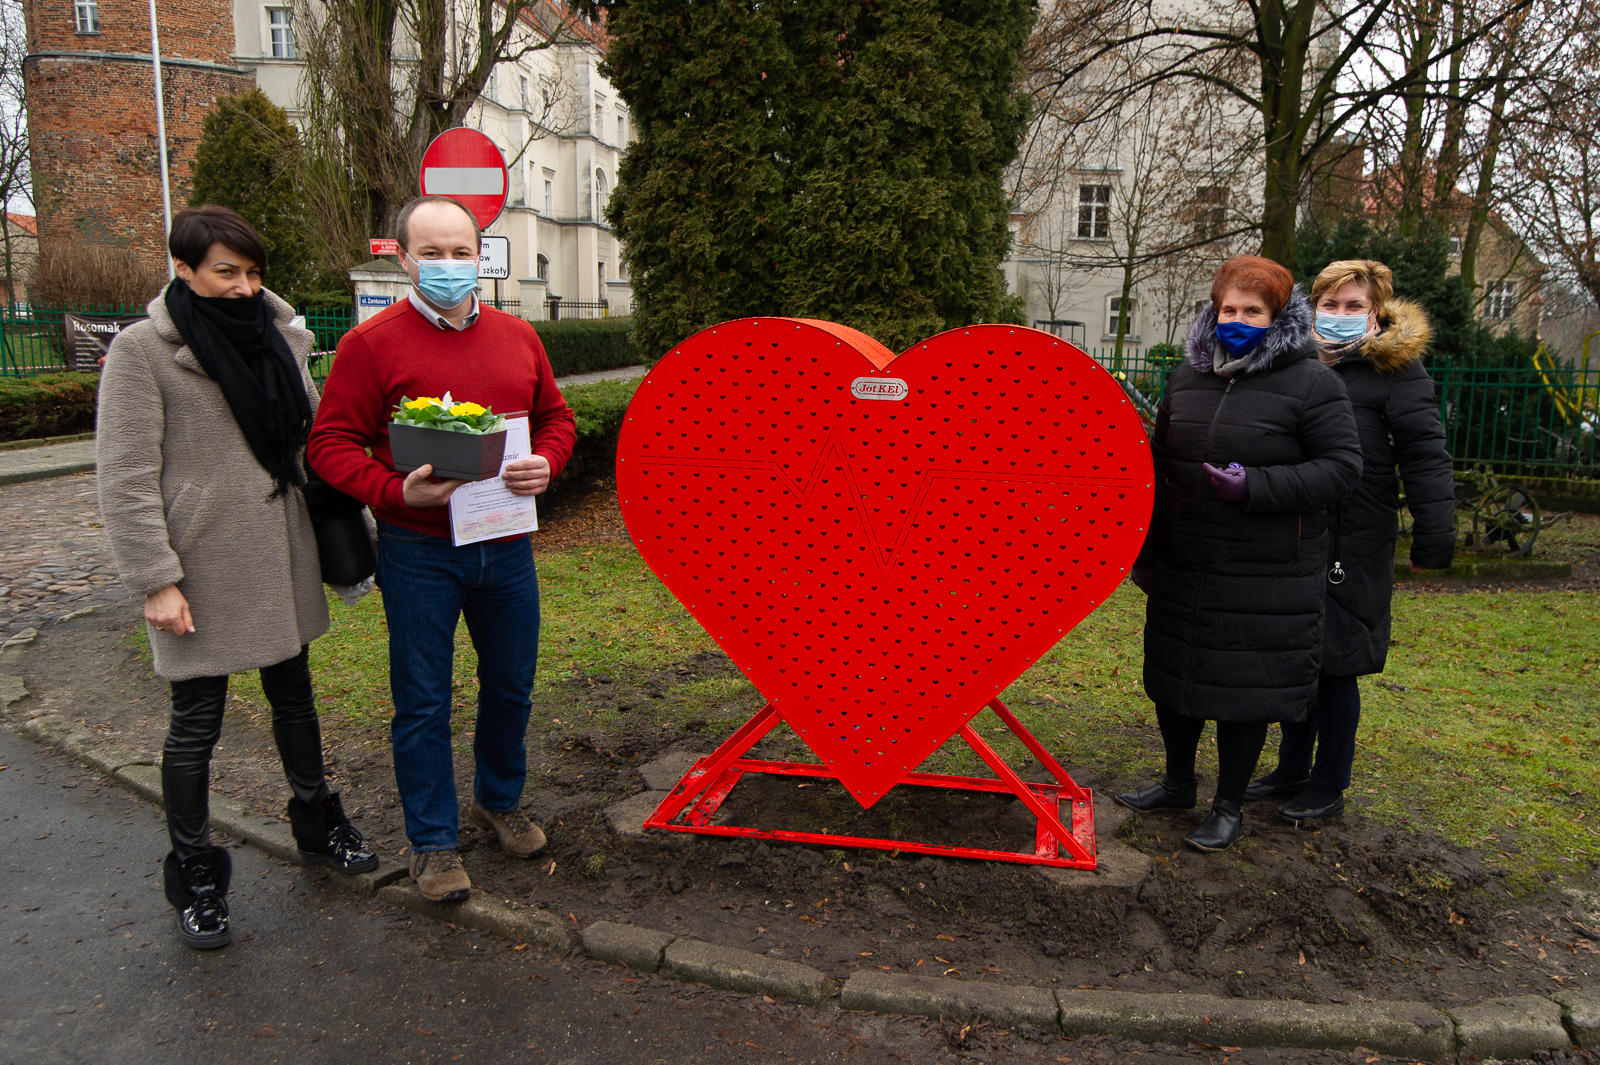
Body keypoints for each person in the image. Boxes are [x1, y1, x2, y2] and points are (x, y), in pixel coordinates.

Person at [97, 206, 377, 951]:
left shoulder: (282, 336)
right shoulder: (141, 352)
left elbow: (311, 441)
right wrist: (156, 577)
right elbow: (124, 477)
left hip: (280, 547)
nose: (244, 287)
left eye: (254, 272)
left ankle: (320, 823)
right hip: (200, 563)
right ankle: (196, 875)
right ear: (183, 269)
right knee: (195, 724)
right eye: (227, 271)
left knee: (295, 696)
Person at [306, 195, 576, 903]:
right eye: (432, 253)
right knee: (423, 701)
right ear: (402, 257)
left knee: (511, 682)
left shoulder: (520, 337)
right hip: (419, 549)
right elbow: (330, 444)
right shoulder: (371, 344)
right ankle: (432, 840)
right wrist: (395, 493)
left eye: (462, 252)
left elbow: (555, 417)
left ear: (481, 254)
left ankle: (498, 798)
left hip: (506, 543)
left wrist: (547, 462)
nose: (451, 266)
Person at [1120, 255, 1362, 852]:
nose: (1238, 320)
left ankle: (1229, 805)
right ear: (1214, 310)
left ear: (1278, 317)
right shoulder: (1188, 377)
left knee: (1242, 688)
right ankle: (1178, 783)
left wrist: (1256, 486)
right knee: (1173, 676)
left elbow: (1342, 468)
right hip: (1186, 556)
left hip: (1266, 568)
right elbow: (1155, 464)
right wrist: (1145, 548)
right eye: (1229, 309)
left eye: (1252, 311)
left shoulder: (1312, 383)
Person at [1245, 260, 1454, 824]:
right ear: (1313, 308)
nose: (1339, 316)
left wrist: (1434, 538)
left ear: (1376, 313)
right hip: (1296, 530)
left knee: (1337, 662)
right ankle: (1290, 767)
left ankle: (1329, 780)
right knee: (1297, 654)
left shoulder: (1398, 374)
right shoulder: (1290, 362)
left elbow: (1427, 457)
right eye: (1330, 305)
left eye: (1353, 306)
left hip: (1357, 537)